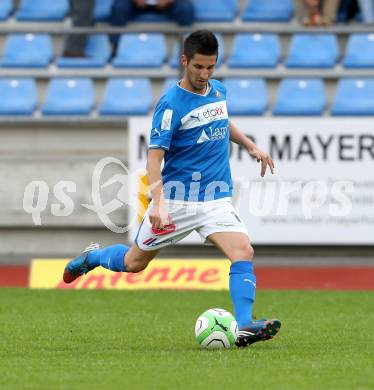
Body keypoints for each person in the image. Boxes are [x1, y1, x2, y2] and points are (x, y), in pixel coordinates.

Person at [63, 30, 281, 348]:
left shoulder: (217, 90)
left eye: (210, 67)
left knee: (243, 251)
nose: (205, 75)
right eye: (198, 68)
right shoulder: (170, 105)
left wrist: (250, 146)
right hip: (177, 201)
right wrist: (159, 203)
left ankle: (245, 325)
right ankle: (93, 258)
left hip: (215, 199)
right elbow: (154, 158)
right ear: (184, 61)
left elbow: (223, 119)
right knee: (134, 264)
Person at [110, 0, 195, 27]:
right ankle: (115, 49)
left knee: (185, 8)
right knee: (119, 8)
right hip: (135, 4)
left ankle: (187, 52)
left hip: (168, 4)